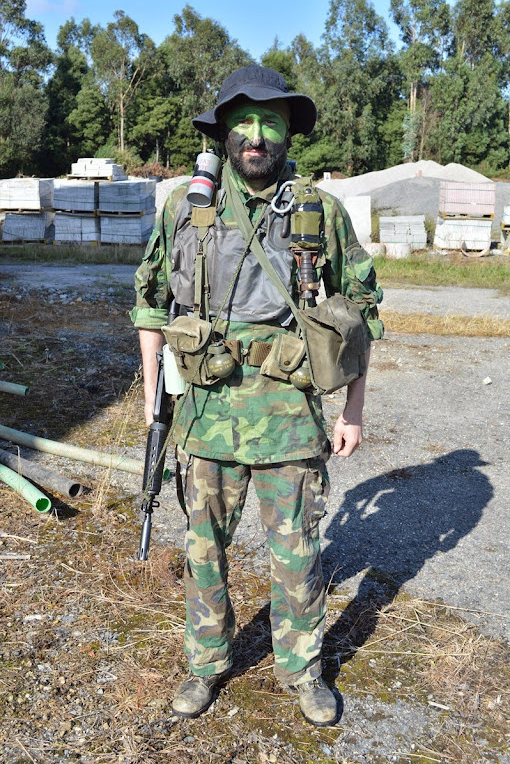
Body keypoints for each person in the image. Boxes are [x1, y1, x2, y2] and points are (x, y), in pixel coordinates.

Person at [131, 63, 383, 726]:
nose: (255, 134)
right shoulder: (184, 208)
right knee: (203, 549)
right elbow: (150, 303)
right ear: (221, 131)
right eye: (242, 120)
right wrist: (152, 393)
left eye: (270, 121)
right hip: (207, 412)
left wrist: (353, 408)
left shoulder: (319, 212)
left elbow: (361, 312)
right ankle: (206, 664)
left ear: (287, 131)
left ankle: (303, 671)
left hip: (289, 416)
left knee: (297, 551)